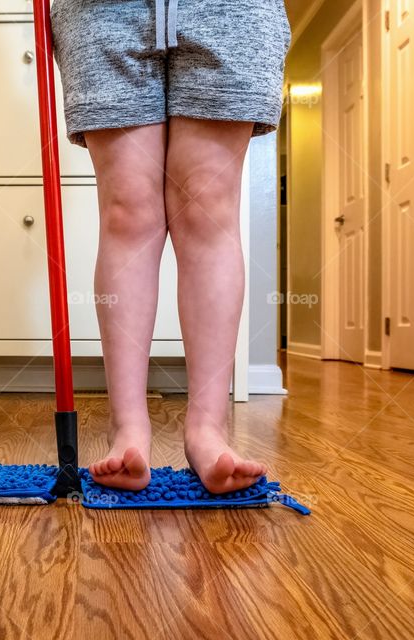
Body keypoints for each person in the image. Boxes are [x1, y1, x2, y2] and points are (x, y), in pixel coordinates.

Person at [50, 0, 291, 492]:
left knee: (207, 208)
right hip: (102, 11)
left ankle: (207, 430)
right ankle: (128, 428)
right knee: (127, 211)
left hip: (231, 10)